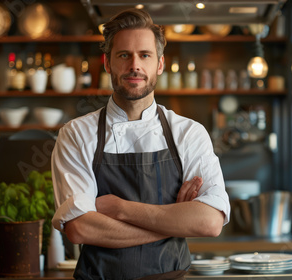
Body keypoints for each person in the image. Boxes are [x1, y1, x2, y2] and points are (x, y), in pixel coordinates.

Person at [51, 9, 230, 280]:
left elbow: (210, 222)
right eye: (124, 55)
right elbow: (80, 229)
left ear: (159, 64)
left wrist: (120, 209)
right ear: (108, 63)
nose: (135, 65)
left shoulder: (189, 134)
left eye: (144, 55)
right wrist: (177, 221)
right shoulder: (76, 134)